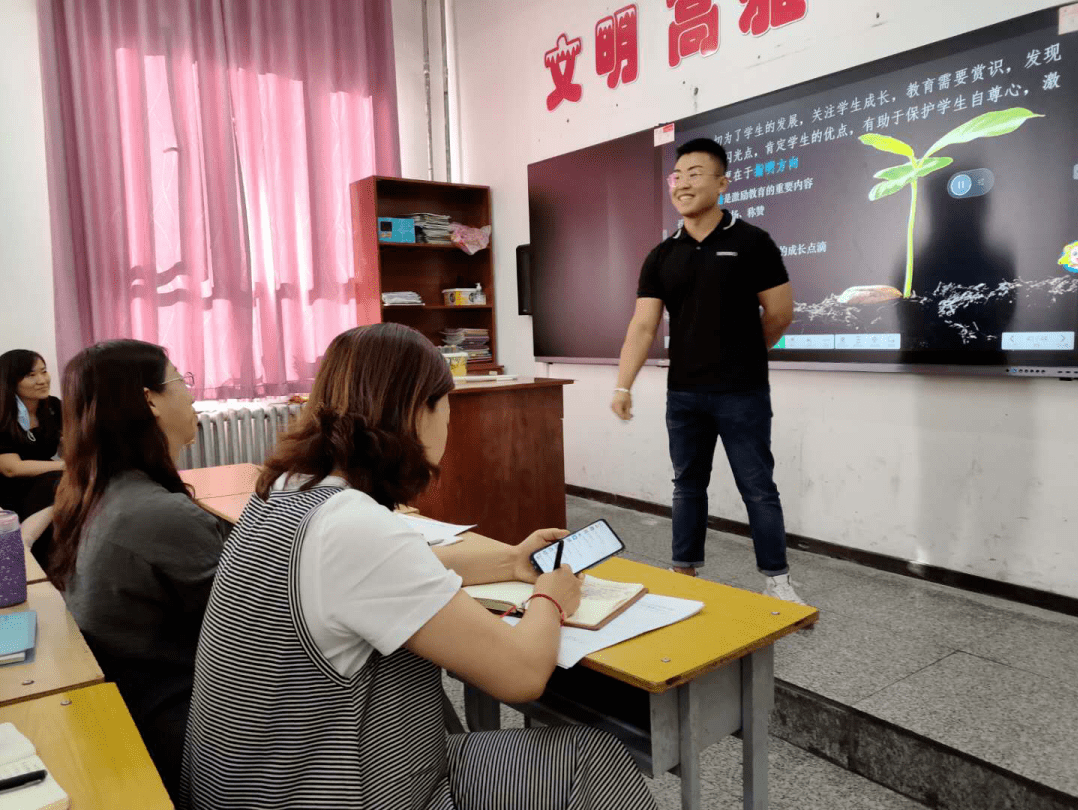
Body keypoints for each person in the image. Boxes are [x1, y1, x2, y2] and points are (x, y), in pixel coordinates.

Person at [181, 323, 655, 810]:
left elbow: (401, 571)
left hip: (257, 779)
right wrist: (552, 597)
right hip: (328, 789)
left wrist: (512, 560)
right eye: (445, 403)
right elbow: (521, 674)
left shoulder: (289, 491)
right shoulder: (354, 529)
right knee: (594, 754)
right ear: (417, 410)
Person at [611, 137, 805, 605]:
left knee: (757, 487)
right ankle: (683, 575)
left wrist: (744, 352)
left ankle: (777, 581)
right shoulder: (662, 255)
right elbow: (643, 325)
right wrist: (623, 383)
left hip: (742, 393)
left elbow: (780, 313)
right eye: (678, 175)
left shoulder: (753, 242)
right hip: (685, 395)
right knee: (687, 486)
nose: (683, 183)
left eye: (696, 173)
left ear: (722, 182)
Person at [50, 340, 227, 797]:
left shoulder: (100, 492)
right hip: (183, 724)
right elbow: (257, 632)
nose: (191, 395)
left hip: (139, 699)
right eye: (181, 381)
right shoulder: (157, 514)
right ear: (150, 400)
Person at [0, 350, 64, 549]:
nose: (42, 380)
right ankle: (22, 544)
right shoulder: (3, 414)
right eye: (31, 375)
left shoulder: (53, 406)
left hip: (46, 481)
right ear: (12, 381)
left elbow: (71, 442)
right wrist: (65, 466)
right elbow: (11, 469)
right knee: (61, 480)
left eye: (43, 372)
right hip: (11, 490)